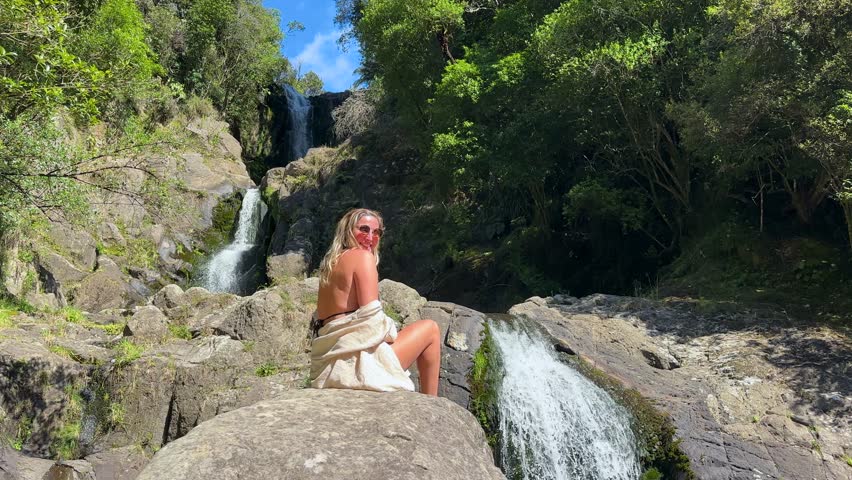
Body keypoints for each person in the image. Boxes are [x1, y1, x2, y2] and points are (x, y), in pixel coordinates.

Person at [309, 208, 442, 396]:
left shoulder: (330, 265)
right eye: (364, 229)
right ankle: (432, 403)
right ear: (348, 230)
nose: (370, 236)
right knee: (431, 329)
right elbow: (372, 321)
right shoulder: (362, 257)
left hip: (328, 367)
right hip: (357, 367)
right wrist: (391, 332)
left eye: (376, 231)